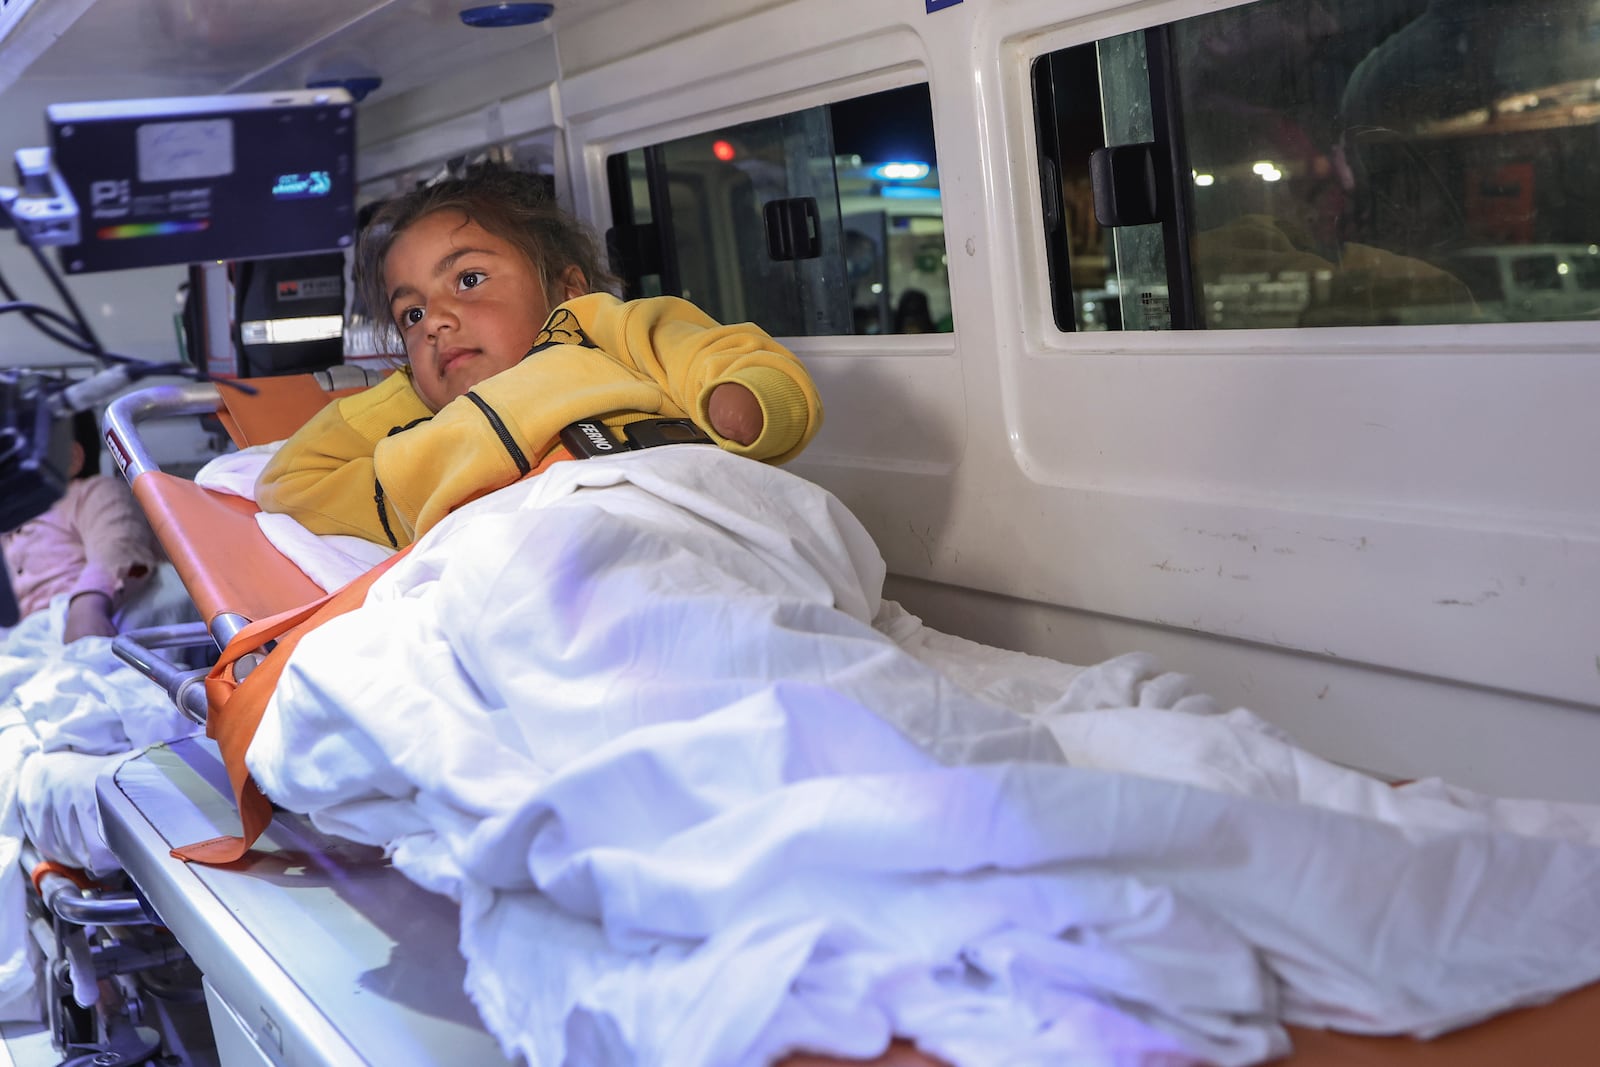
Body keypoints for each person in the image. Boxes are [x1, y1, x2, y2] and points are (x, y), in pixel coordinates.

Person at [256, 166, 823, 548]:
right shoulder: (423, 439)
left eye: (469, 279)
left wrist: (747, 398)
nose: (435, 322)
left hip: (684, 534)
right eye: (411, 315)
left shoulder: (606, 332)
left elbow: (730, 356)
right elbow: (291, 480)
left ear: (568, 288)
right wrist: (414, 397)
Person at [1, 410, 162, 642]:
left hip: (83, 619)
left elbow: (118, 546)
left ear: (69, 459)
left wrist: (88, 604)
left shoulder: (91, 493)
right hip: (28, 637)